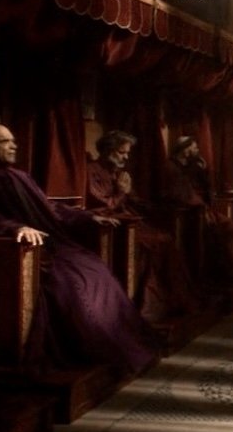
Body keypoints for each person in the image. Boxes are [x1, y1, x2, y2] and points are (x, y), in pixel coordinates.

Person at [0, 123, 159, 377]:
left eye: (13, 140)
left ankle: (118, 343)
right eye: (5, 142)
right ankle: (95, 348)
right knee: (71, 280)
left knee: (94, 267)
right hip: (31, 249)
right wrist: (15, 228)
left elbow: (51, 208)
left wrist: (89, 217)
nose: (13, 146)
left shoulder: (20, 175)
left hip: (54, 243)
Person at [86, 130, 202, 325]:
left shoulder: (119, 172)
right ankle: (147, 305)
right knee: (154, 244)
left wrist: (152, 205)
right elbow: (104, 205)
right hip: (112, 226)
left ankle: (172, 301)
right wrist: (121, 192)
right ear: (107, 150)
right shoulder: (92, 171)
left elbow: (134, 200)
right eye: (121, 152)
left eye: (127, 153)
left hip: (130, 221)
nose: (126, 157)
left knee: (166, 240)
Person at [160, 135, 233, 287]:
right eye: (194, 147)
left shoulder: (192, 165)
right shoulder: (171, 167)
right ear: (185, 150)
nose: (197, 150)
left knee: (227, 225)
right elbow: (180, 193)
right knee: (220, 227)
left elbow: (204, 187)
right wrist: (200, 206)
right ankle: (225, 269)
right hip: (188, 211)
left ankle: (232, 265)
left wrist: (203, 170)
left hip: (200, 208)